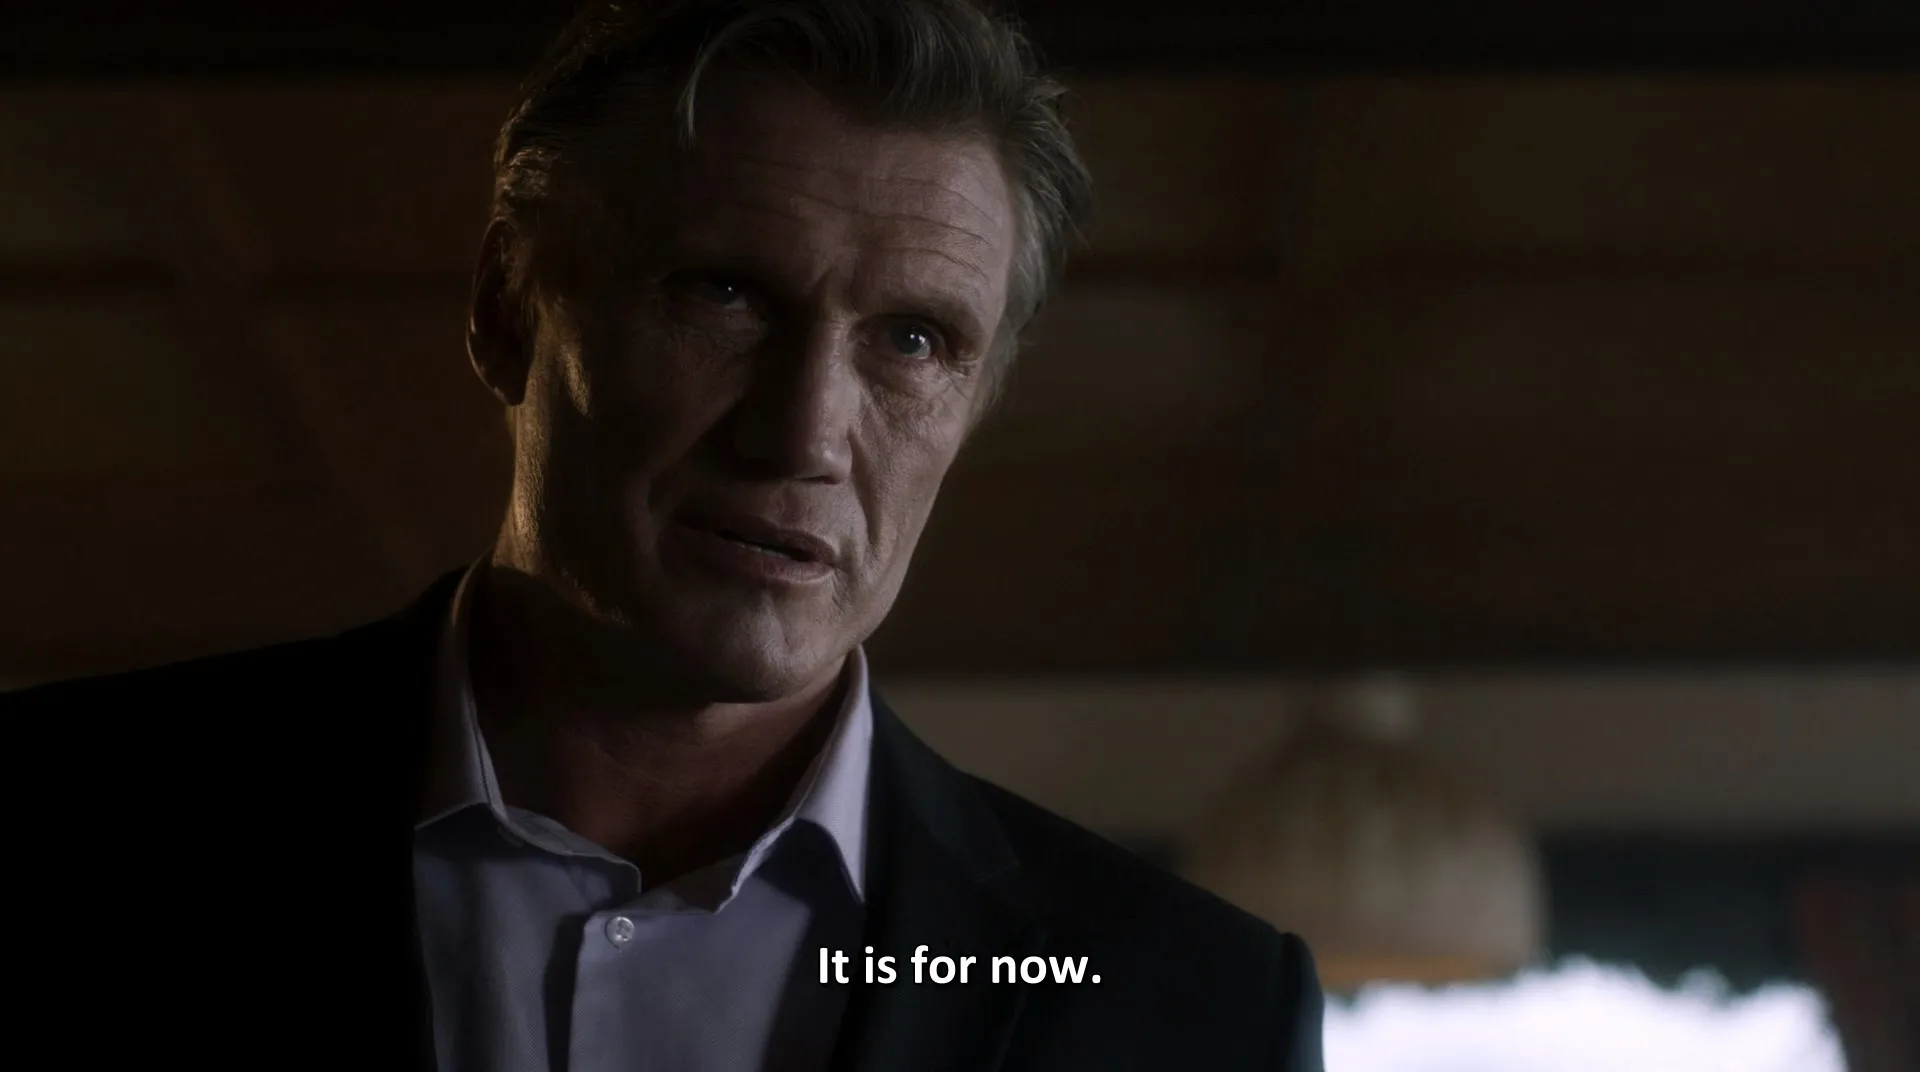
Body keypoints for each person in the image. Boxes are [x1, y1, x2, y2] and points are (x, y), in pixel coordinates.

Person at [6, 1, 1324, 1069]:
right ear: (510, 309)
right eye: (726, 293)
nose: (803, 434)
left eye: (914, 340)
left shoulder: (1192, 1006)